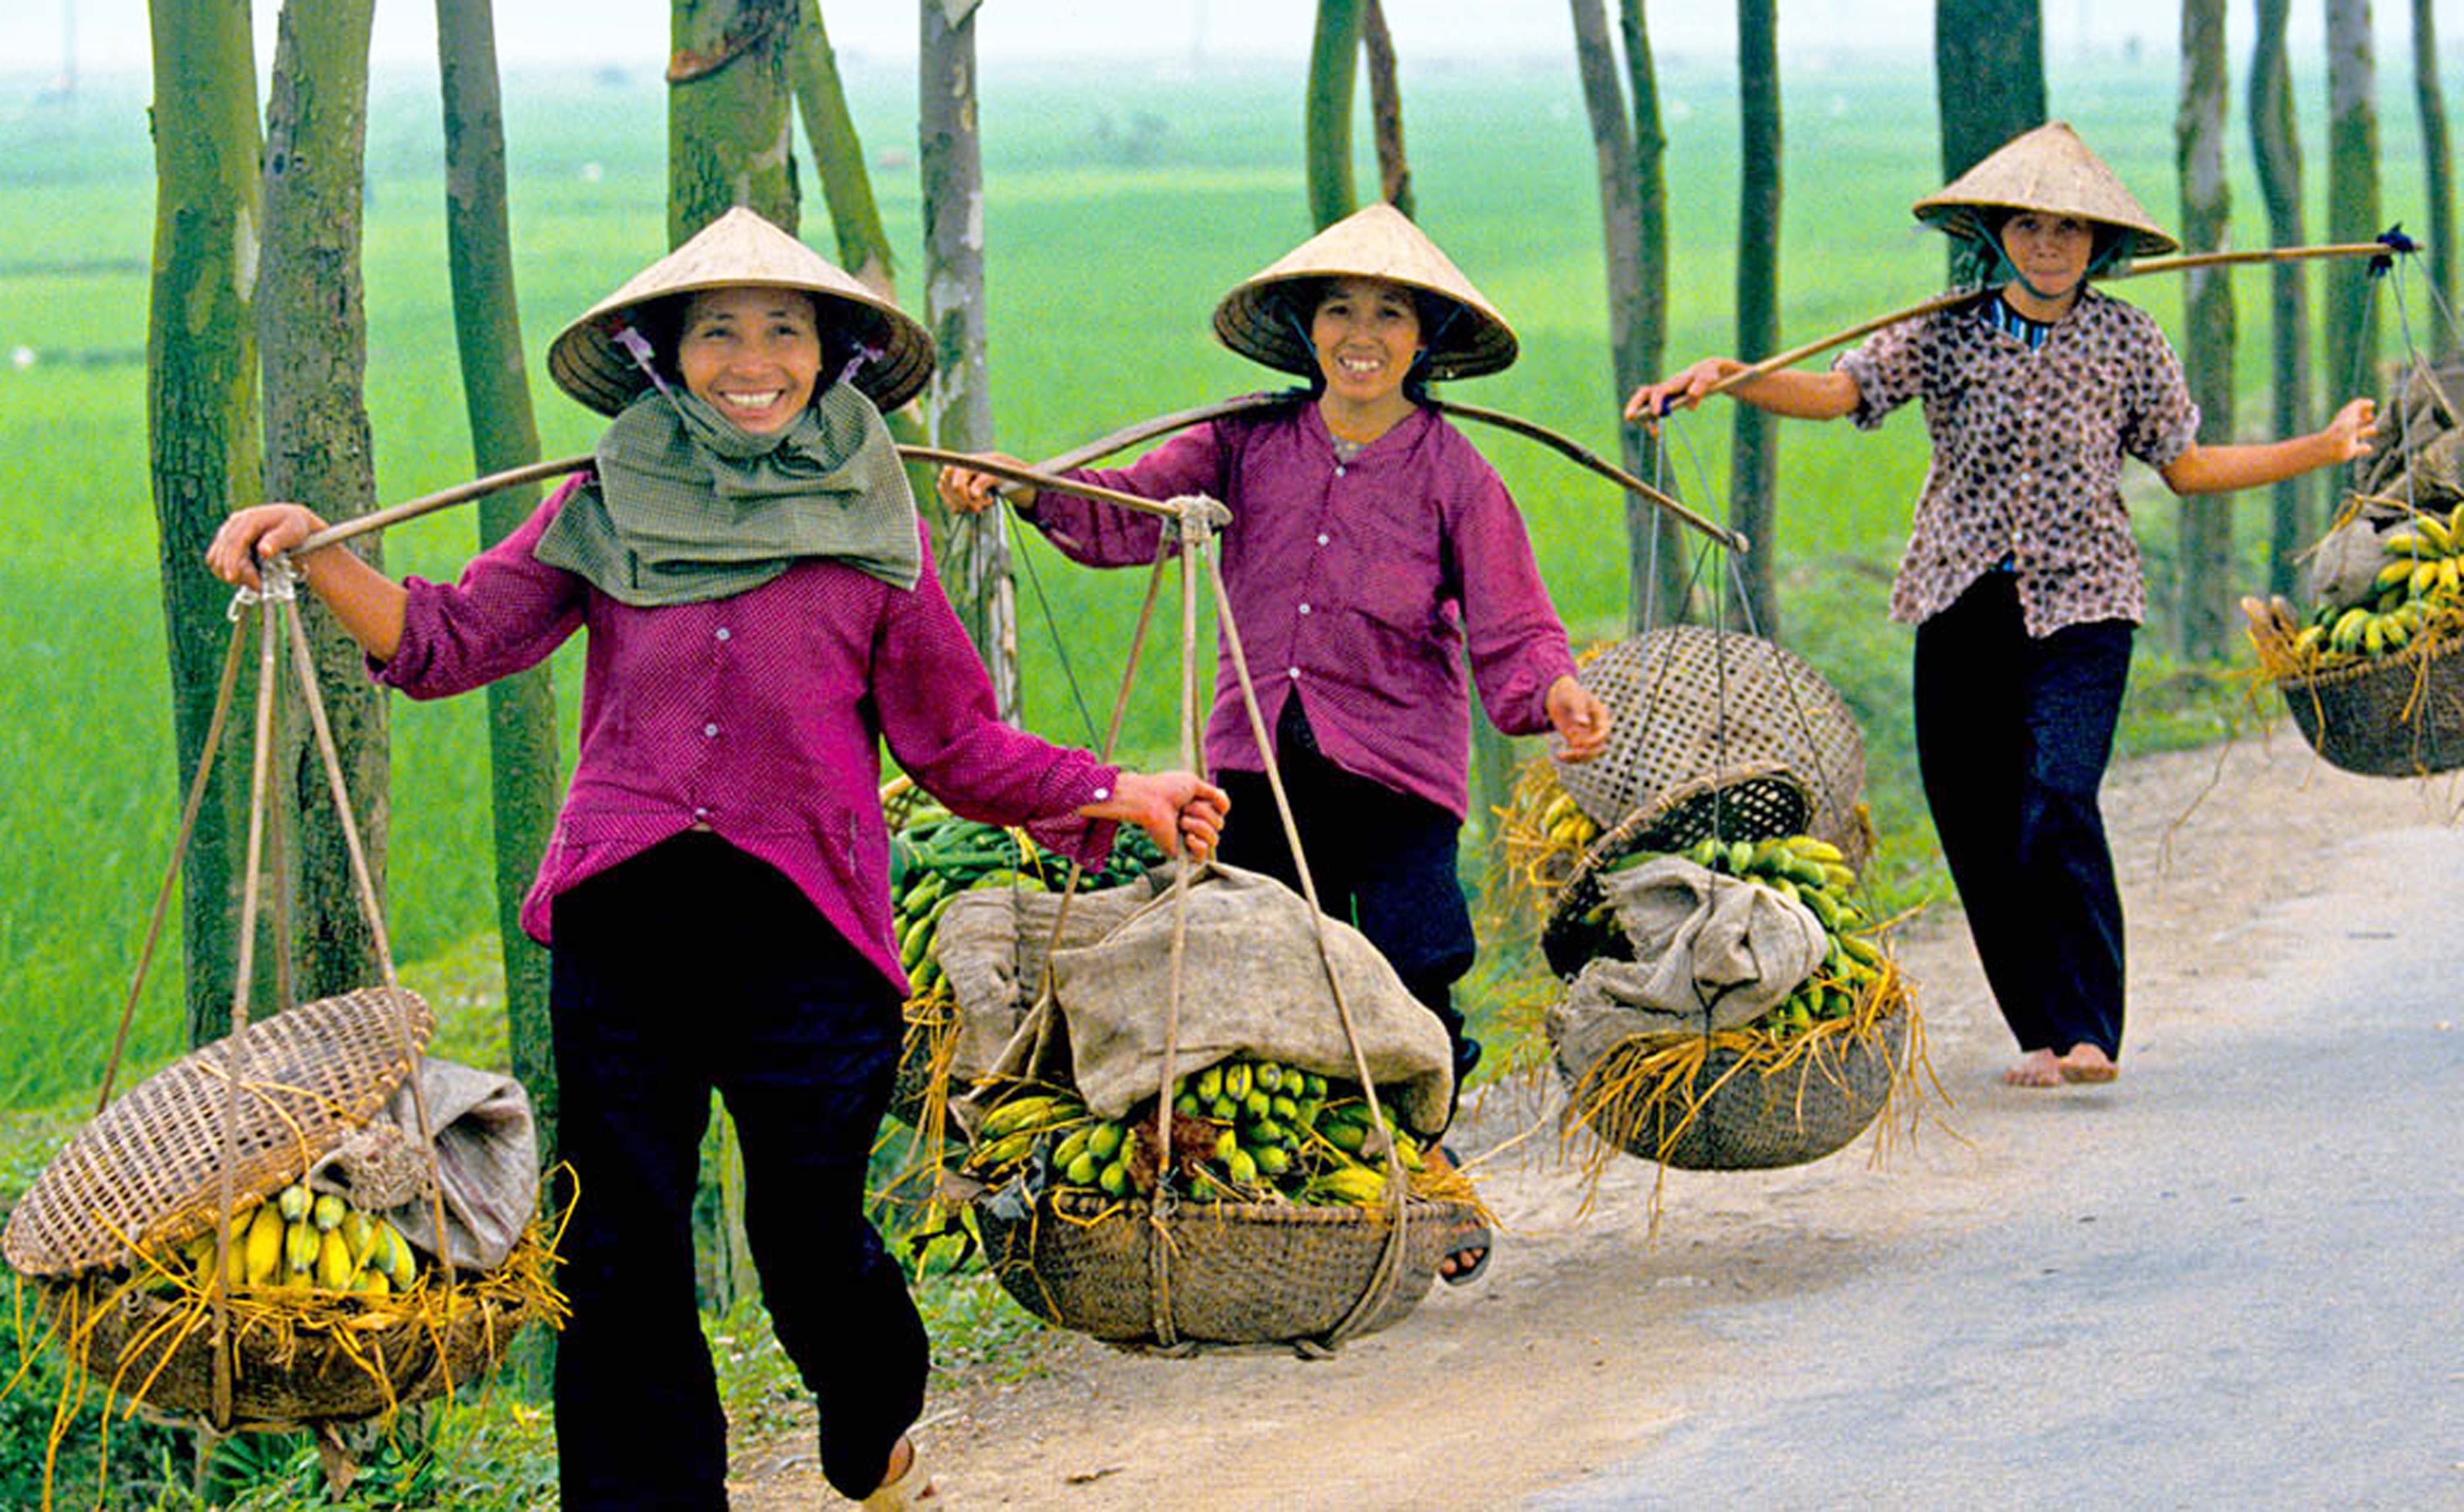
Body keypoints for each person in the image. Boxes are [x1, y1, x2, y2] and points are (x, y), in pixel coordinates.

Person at [206, 207, 1227, 1512]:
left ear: (830, 358)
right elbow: (449, 640)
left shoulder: (872, 529)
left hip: (807, 926)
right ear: (668, 358)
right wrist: (324, 552)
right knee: (619, 1244)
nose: (755, 360)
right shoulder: (603, 506)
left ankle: (872, 1432)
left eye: (784, 333)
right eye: (721, 334)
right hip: (626, 916)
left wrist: (1115, 789)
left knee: (807, 1244)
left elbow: (954, 744)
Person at [1625, 121, 2377, 1091]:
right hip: (1960, 596)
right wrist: (1733, 380)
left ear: (2097, 245)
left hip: (2084, 602)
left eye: (2068, 230)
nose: (2048, 246)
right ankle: (2036, 1034)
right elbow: (1841, 391)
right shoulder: (1943, 329)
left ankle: (2090, 1029)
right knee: (1974, 815)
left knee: (2059, 795)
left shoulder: (2126, 340)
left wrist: (2318, 447)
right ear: (1997, 234)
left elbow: (2185, 468)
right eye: (2028, 227)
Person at [937, 204, 1612, 1278]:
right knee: (1253, 968)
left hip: (1395, 769)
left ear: (1425, 341)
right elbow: (1125, 512)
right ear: (1305, 330)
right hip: (1255, 757)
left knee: (1414, 963)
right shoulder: (1243, 444)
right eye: (1339, 309)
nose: (1362, 332)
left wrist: (1556, 693)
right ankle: (1278, 1196)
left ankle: (1425, 1162)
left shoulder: (1456, 476)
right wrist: (1026, 484)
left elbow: (1516, 628)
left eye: (1390, 314)